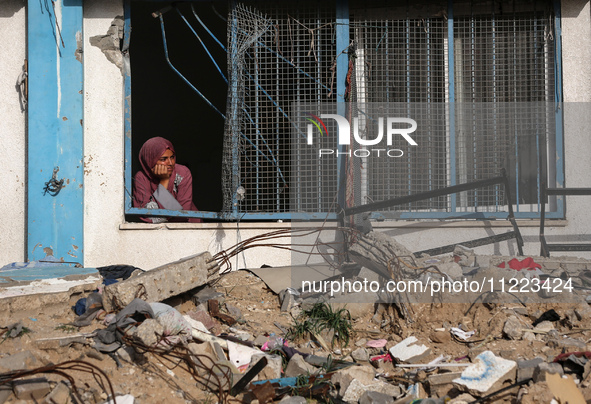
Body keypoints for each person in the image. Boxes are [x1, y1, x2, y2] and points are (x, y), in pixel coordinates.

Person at [133, 137, 202, 223]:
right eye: (163, 159)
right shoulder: (141, 177)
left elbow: (182, 214)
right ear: (150, 160)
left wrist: (164, 181)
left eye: (172, 157)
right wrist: (164, 181)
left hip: (189, 228)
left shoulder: (182, 172)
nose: (170, 163)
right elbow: (146, 214)